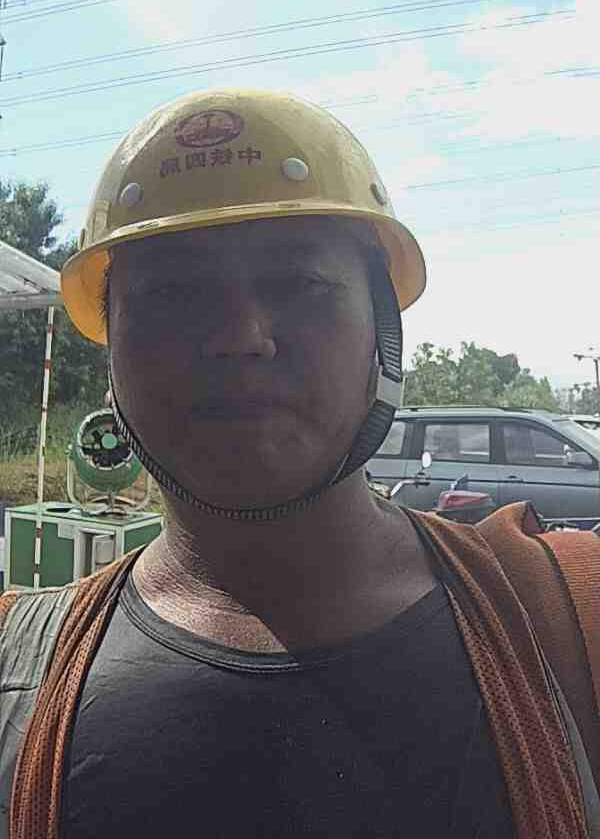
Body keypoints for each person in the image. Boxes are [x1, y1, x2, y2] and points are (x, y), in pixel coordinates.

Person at [0, 90, 598, 839]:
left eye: (300, 284)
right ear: (112, 349)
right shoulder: (17, 669)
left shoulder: (571, 616)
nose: (240, 337)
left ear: (382, 333)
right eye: (175, 294)